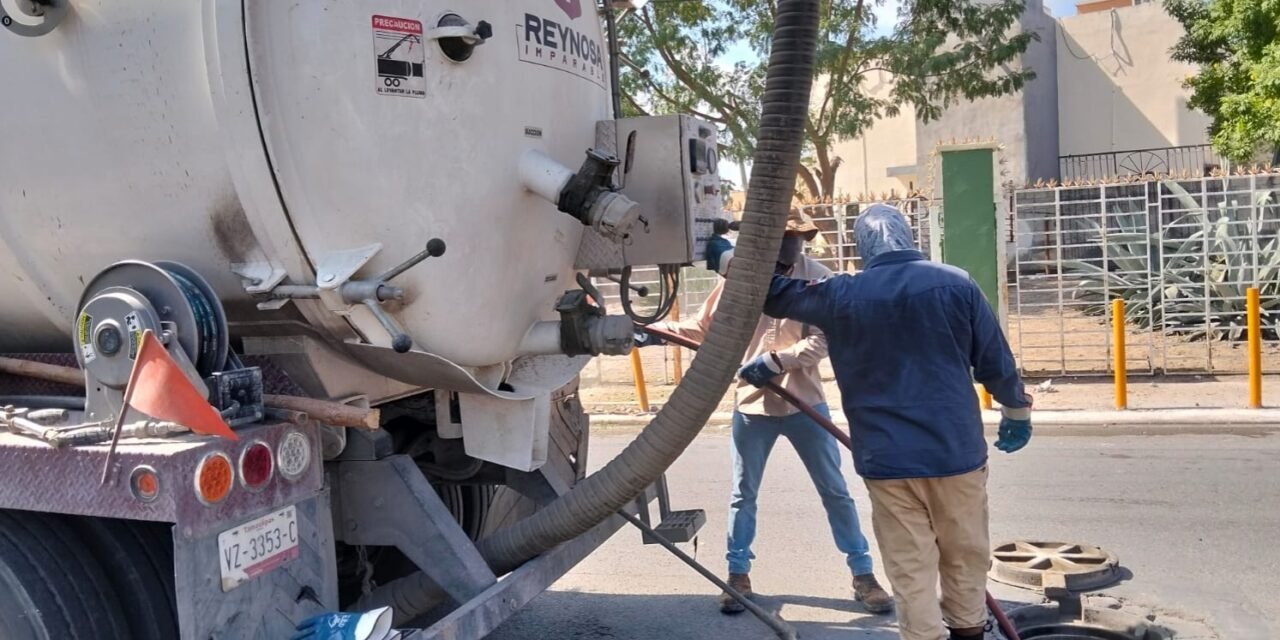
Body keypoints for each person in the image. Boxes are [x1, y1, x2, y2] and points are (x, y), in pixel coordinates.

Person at [760, 204, 1033, 640]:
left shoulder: (839, 292)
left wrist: (734, 253)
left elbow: (771, 293)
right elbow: (995, 362)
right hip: (956, 455)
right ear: (909, 237)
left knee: (911, 570)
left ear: (861, 246)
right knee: (965, 557)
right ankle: (969, 633)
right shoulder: (956, 284)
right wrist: (1015, 412)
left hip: (887, 461)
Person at [637, 208, 893, 615]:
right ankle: (738, 574)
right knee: (743, 494)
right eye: (780, 238)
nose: (788, 246)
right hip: (752, 406)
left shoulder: (820, 278)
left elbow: (824, 341)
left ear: (803, 241)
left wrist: (775, 363)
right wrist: (654, 334)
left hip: (805, 403)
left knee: (835, 492)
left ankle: (863, 574)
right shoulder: (741, 280)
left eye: (795, 239)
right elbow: (703, 328)